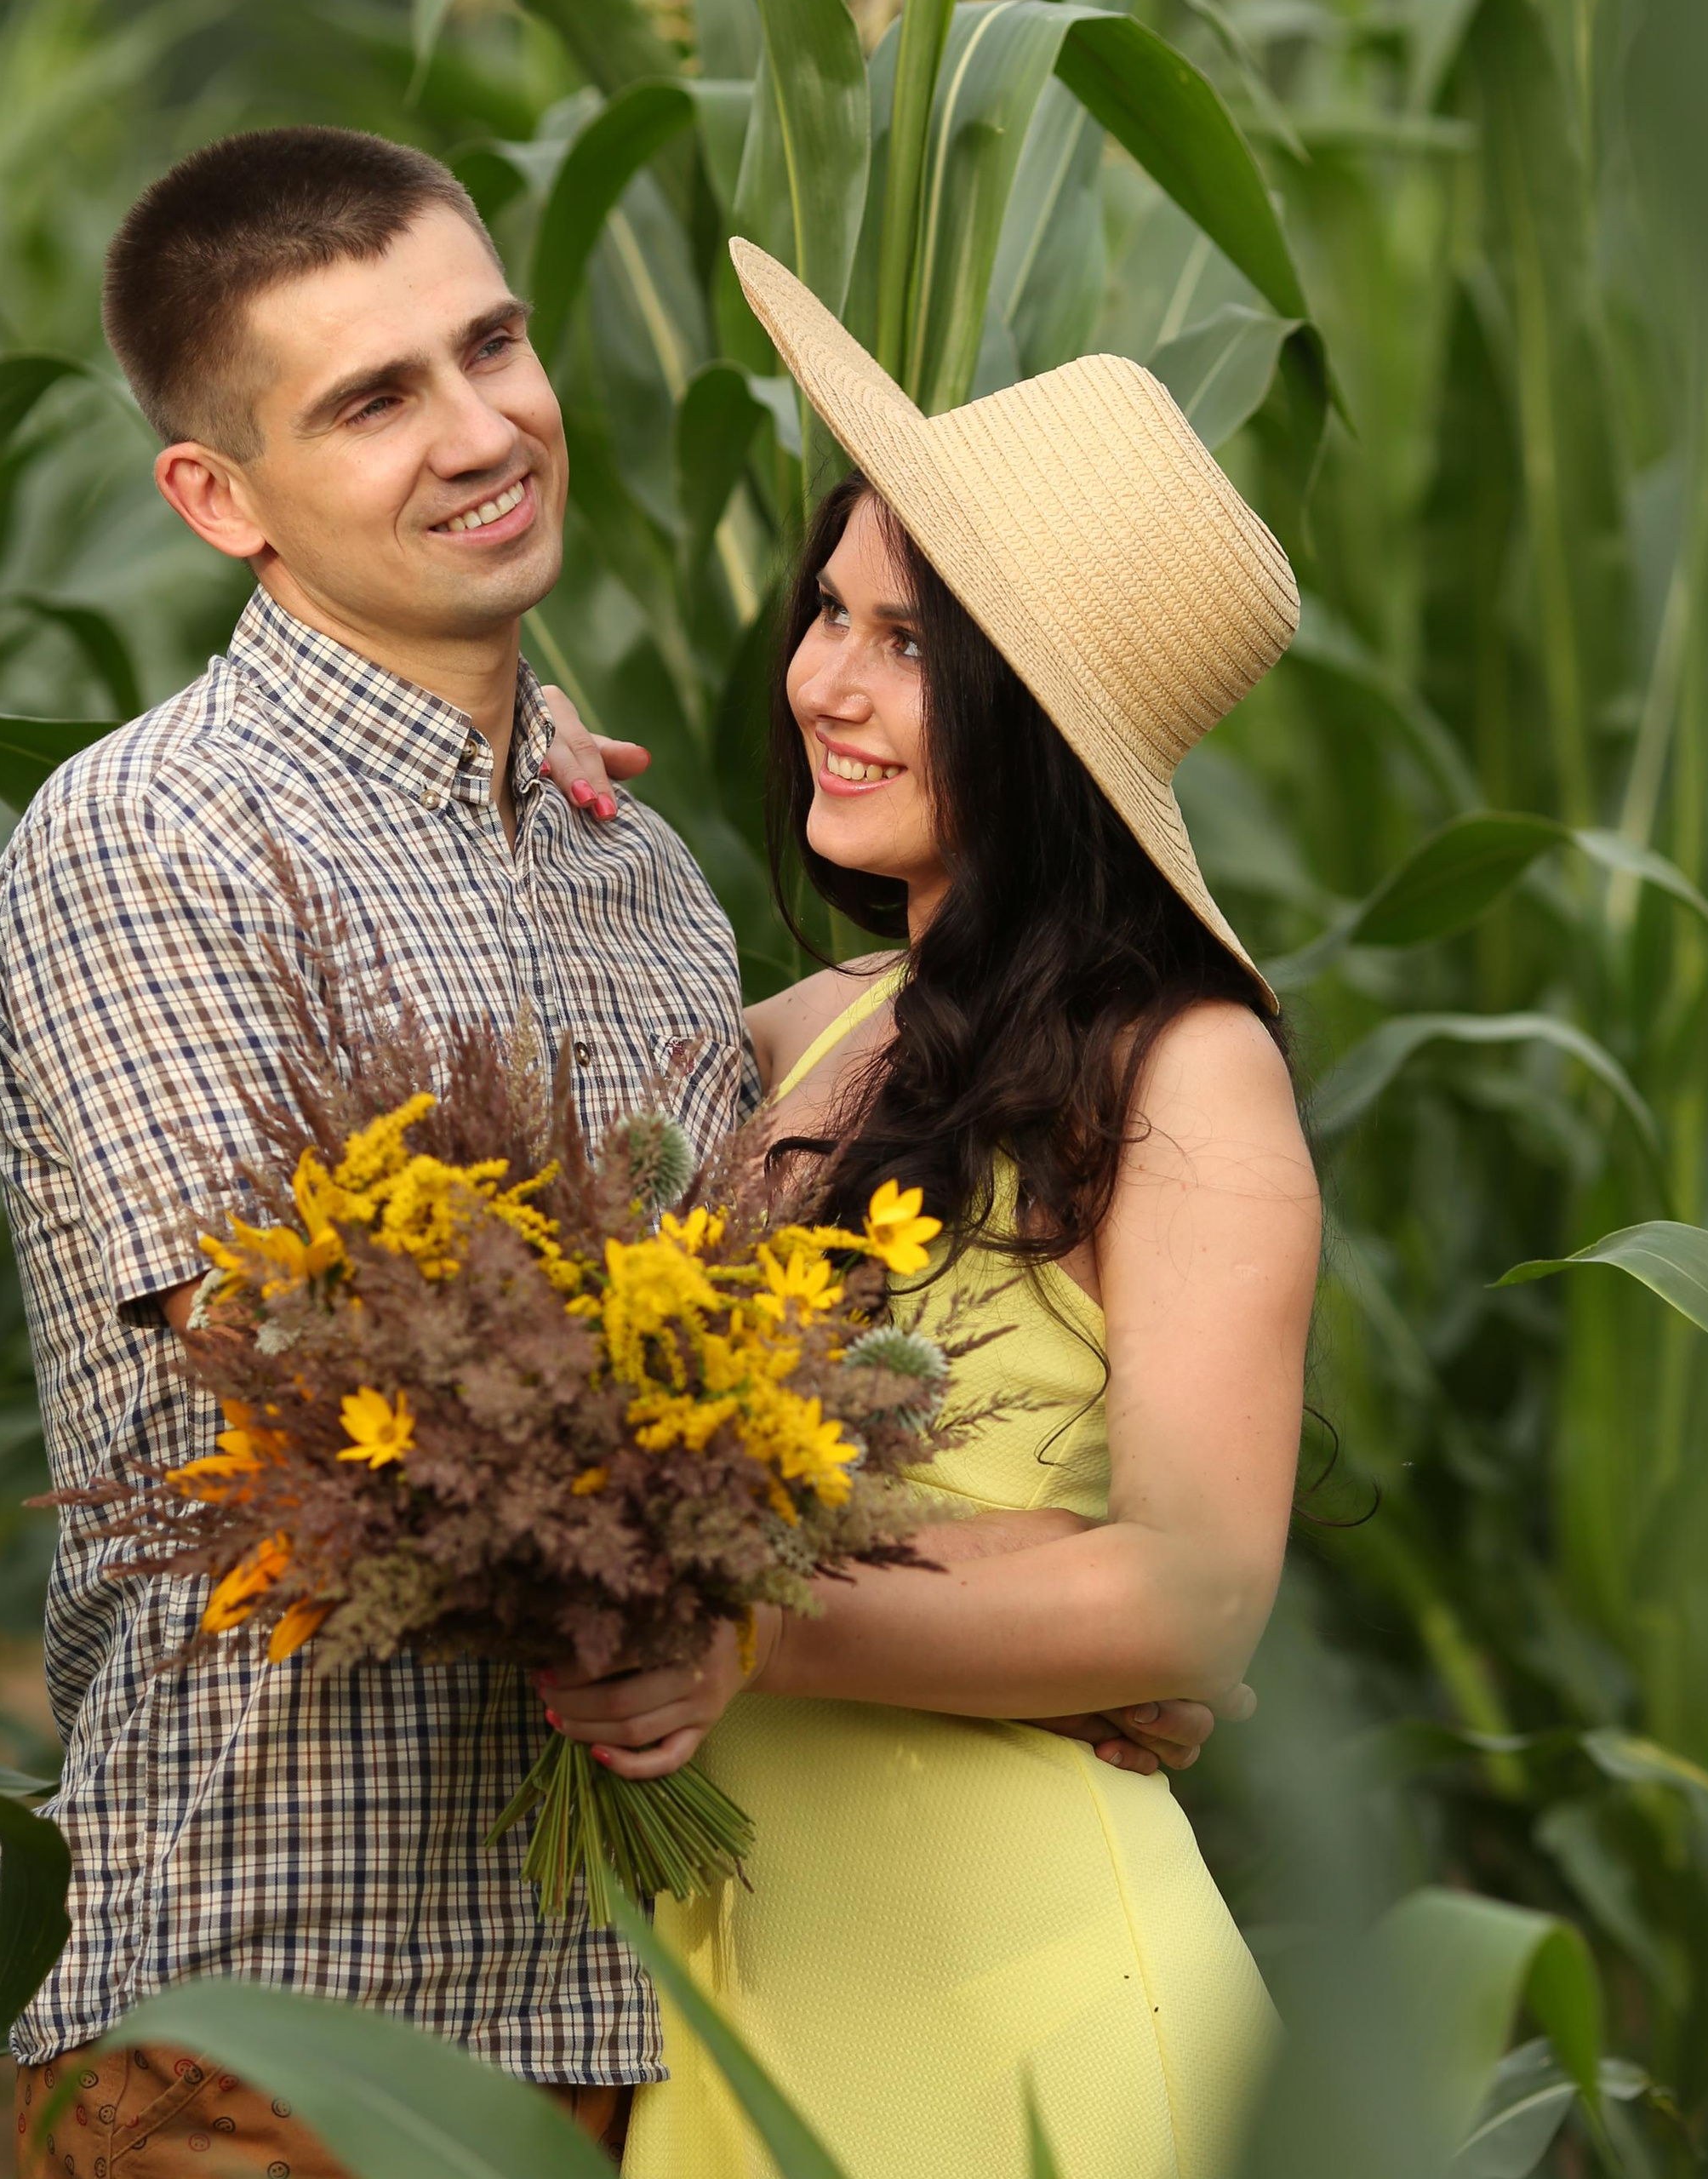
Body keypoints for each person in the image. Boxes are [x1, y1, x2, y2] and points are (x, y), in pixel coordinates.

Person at [0, 133, 1209, 2176]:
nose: (480, 430)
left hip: (649, 2027)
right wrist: (911, 1605)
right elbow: (321, 1392)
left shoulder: (639, 886)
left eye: (493, 343)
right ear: (218, 497)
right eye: (373, 399)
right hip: (294, 2021)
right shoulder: (158, 843)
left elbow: (738, 1408)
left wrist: (1042, 1615)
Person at [540, 241, 1319, 2178]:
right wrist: (495, 792)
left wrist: (749, 1624)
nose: (820, 679)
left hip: (1024, 2005)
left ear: (1037, 722)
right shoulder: (802, 1037)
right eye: (826, 609)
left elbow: (1195, 1590)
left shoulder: (1180, 1063)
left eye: (907, 645)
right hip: (746, 1992)